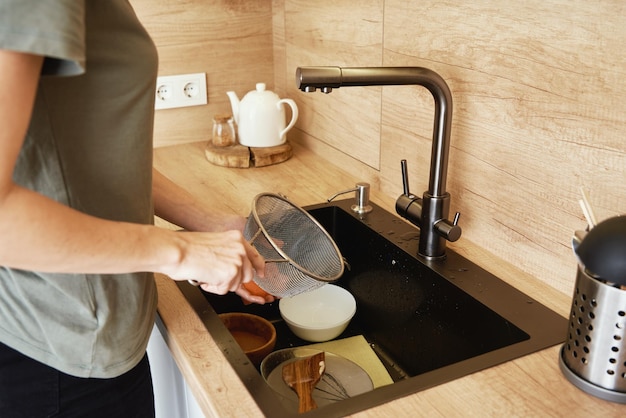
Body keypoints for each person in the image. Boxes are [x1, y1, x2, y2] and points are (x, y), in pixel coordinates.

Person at [0, 1, 271, 416]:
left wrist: (211, 224)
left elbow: (90, 155)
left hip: (94, 337)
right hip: (55, 352)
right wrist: (179, 251)